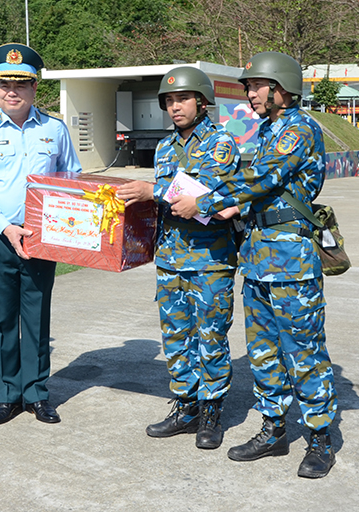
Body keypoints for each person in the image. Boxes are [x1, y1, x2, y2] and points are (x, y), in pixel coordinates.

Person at [170, 52, 338, 478]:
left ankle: (320, 439)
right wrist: (228, 210)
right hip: (259, 256)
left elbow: (259, 178)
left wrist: (204, 202)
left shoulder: (298, 129)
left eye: (255, 87)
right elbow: (253, 191)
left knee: (304, 352)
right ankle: (274, 429)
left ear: (280, 87)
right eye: (247, 87)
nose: (249, 94)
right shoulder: (268, 129)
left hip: (291, 264)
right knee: (263, 353)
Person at [117, 66, 241, 450]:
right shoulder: (165, 147)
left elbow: (198, 195)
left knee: (211, 339)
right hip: (171, 258)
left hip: (210, 259)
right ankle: (185, 407)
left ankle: (211, 412)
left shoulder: (221, 143)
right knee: (176, 339)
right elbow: (167, 204)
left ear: (202, 102)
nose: (175, 107)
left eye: (182, 99)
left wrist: (152, 190)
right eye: (169, 101)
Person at [0, 43, 81, 426]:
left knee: (35, 317)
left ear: (34, 89)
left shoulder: (54, 129)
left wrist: (64, 225)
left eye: (20, 84)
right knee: (0, 320)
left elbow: (72, 177)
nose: (11, 92)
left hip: (42, 238)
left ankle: (37, 394)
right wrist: (7, 227)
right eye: (3, 85)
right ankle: (7, 395)